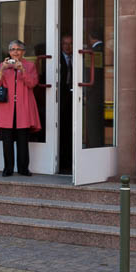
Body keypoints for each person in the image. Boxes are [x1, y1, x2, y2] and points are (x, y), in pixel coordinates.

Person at [0, 40, 41, 177]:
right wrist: (2, 69)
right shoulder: (3, 65)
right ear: (9, 52)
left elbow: (32, 83)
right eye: (13, 49)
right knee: (7, 139)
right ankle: (8, 168)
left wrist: (22, 70)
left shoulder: (29, 65)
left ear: (23, 52)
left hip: (23, 106)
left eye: (18, 49)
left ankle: (24, 168)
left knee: (22, 139)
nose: (15, 52)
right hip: (6, 107)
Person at [58, 34, 73, 173]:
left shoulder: (79, 57)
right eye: (65, 44)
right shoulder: (57, 58)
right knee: (62, 129)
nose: (68, 47)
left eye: (70, 43)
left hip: (74, 96)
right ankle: (62, 159)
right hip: (59, 98)